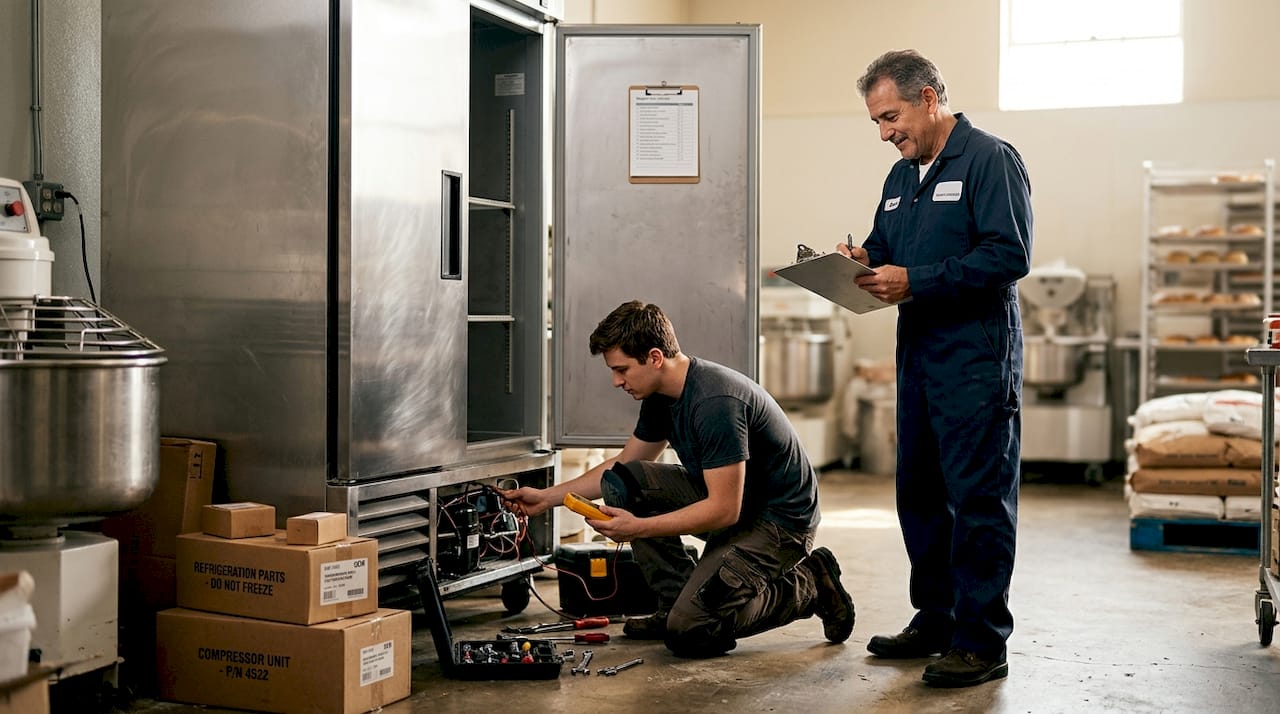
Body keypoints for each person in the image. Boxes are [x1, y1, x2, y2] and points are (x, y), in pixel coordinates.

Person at [499, 300, 855, 658]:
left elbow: (723, 511)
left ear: (655, 357)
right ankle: (675, 601)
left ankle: (809, 584)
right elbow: (625, 464)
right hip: (737, 503)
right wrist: (547, 497)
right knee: (625, 482)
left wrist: (638, 528)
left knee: (691, 631)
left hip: (778, 523)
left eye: (622, 369)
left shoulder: (715, 401)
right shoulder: (661, 396)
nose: (616, 381)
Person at [835, 49, 1031, 688]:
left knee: (977, 499)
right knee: (917, 493)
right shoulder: (901, 177)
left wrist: (915, 279)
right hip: (917, 359)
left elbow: (1009, 255)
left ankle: (981, 639)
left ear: (929, 98)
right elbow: (887, 249)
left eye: (891, 116)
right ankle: (937, 616)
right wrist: (858, 258)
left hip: (976, 360)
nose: (885, 132)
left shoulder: (989, 160)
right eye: (875, 123)